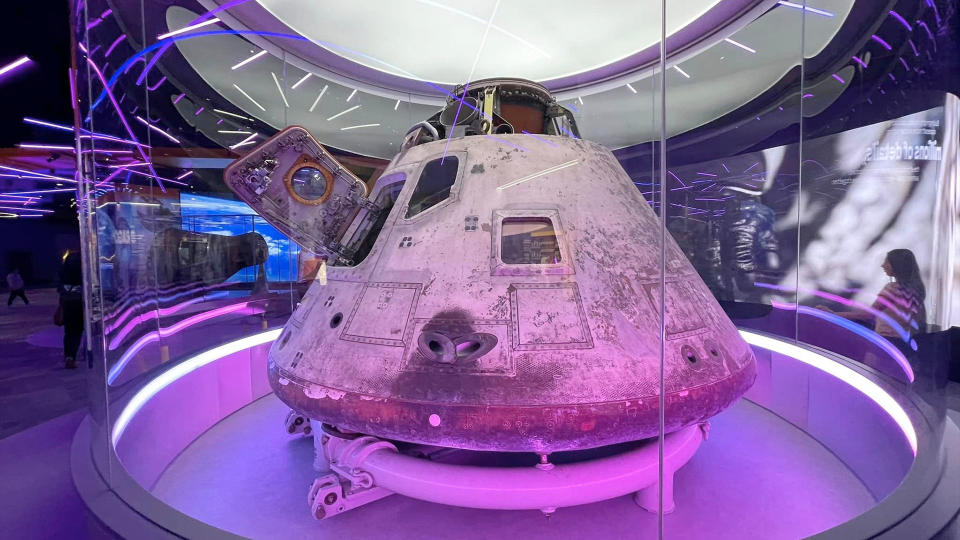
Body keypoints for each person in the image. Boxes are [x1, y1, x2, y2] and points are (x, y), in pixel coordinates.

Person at [821, 249, 926, 347]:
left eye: (887, 262)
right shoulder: (916, 290)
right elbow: (920, 321)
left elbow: (869, 315)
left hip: (885, 342)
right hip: (905, 344)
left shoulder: (893, 289)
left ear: (897, 266)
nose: (883, 266)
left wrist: (833, 315)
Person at [58, 252, 85, 369]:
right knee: (78, 332)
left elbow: (60, 291)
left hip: (67, 305)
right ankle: (80, 353)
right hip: (80, 305)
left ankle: (69, 356)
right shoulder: (82, 273)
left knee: (69, 332)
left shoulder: (63, 273)